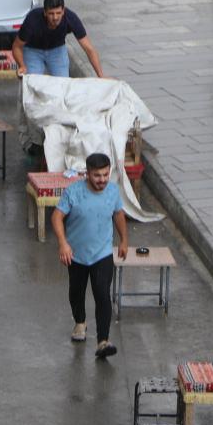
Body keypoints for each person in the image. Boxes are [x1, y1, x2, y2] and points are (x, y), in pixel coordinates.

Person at [51, 153, 128, 359]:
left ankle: (103, 341)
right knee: (76, 292)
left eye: (105, 174)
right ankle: (80, 322)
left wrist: (124, 240)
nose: (102, 180)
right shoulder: (73, 192)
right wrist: (63, 243)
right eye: (97, 175)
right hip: (76, 255)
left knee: (102, 293)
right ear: (87, 174)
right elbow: (57, 217)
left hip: (102, 253)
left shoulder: (112, 191)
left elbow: (119, 214)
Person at [12, 0, 105, 78]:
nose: (55, 17)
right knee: (32, 83)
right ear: (44, 12)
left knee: (62, 84)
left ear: (63, 11)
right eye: (51, 14)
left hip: (57, 50)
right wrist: (22, 65)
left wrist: (101, 76)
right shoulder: (33, 19)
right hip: (33, 50)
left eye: (58, 13)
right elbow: (16, 46)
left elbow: (89, 48)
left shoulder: (71, 18)